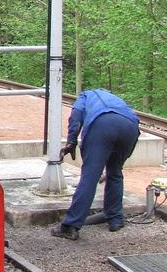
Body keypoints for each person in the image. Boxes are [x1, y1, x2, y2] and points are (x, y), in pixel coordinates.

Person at [51, 88, 141, 240]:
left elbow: (76, 115)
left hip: (102, 124)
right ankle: (115, 219)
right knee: (115, 172)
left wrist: (71, 141)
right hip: (131, 127)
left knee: (90, 177)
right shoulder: (115, 98)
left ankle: (71, 226)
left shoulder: (85, 95)